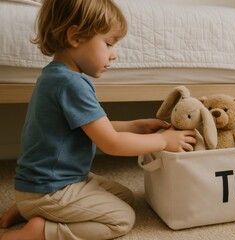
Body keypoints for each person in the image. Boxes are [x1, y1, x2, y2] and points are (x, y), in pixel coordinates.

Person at [0, 0, 196, 239]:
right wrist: (164, 141)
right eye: (108, 43)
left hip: (48, 183)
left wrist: (137, 126)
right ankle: (40, 230)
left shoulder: (55, 76)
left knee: (125, 196)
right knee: (122, 219)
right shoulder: (72, 83)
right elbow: (111, 143)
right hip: (52, 189)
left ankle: (28, 208)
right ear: (75, 37)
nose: (113, 55)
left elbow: (92, 128)